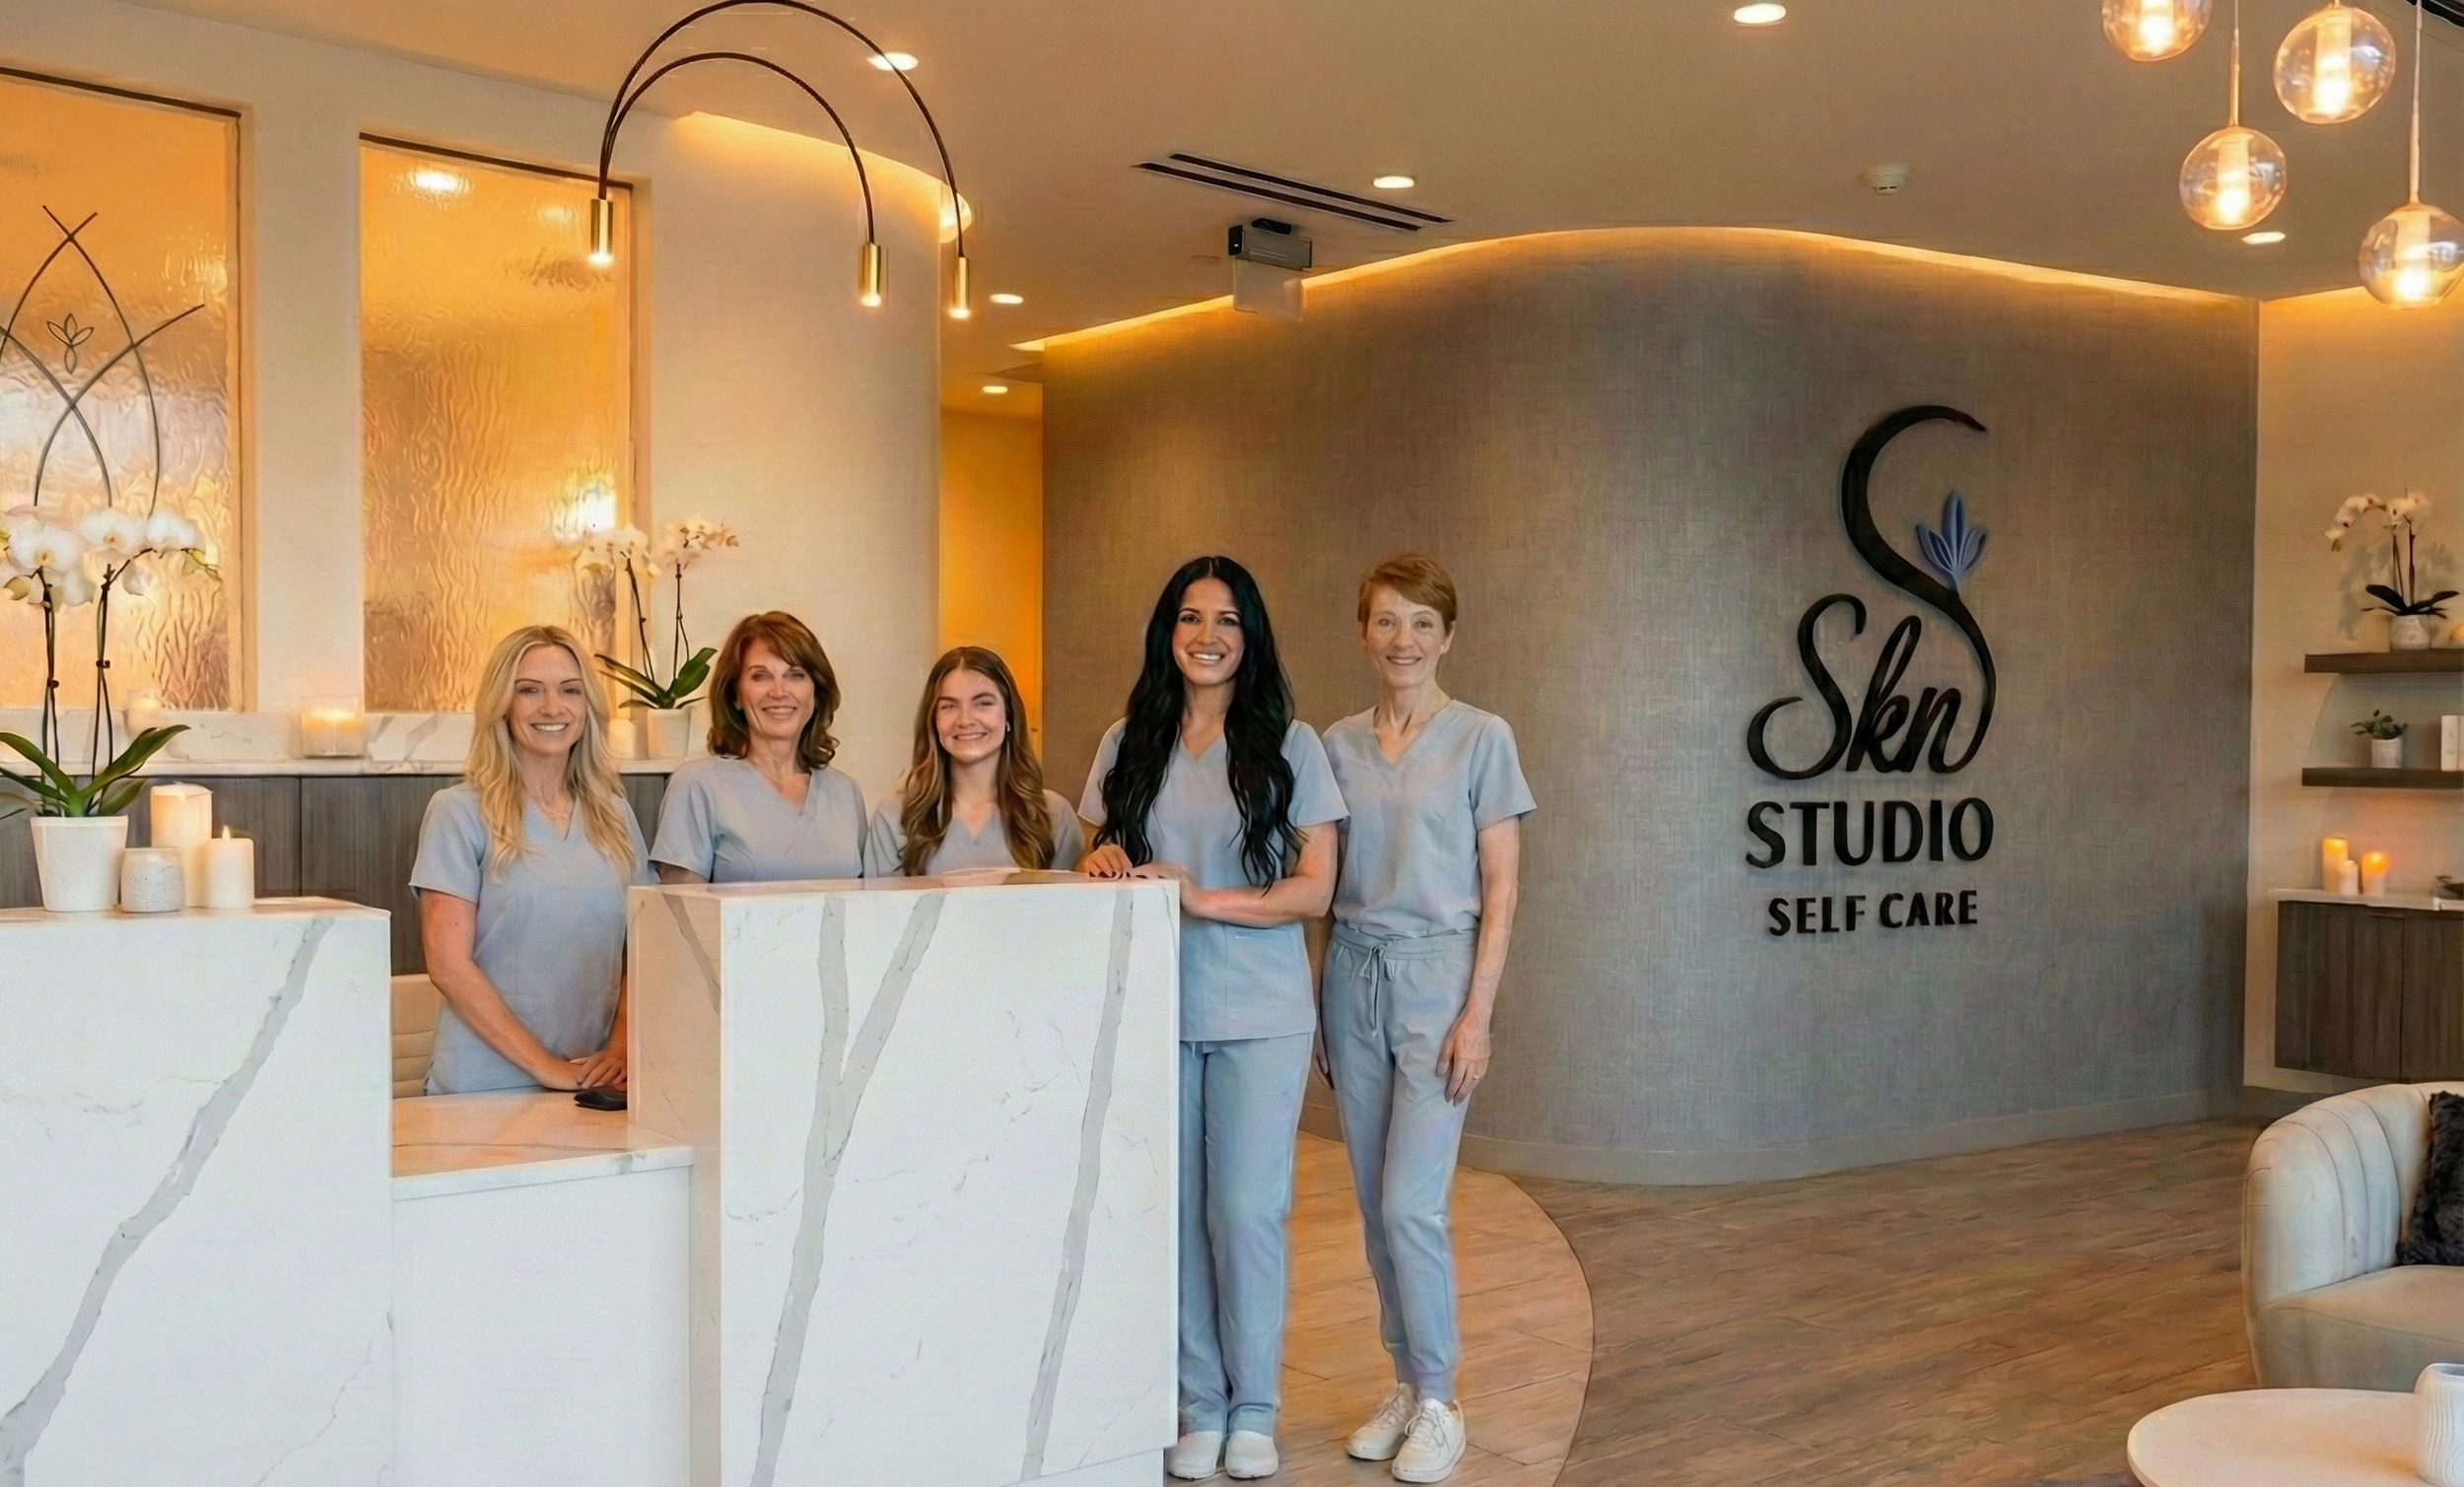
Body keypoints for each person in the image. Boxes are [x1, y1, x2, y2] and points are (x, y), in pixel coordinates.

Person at [1081, 555, 1347, 1482]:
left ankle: (1256, 1405)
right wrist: (1106, 859)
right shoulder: (1129, 741)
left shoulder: (1293, 744)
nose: (1207, 635)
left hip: (1260, 1010)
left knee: (1245, 1210)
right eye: (1190, 617)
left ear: (1251, 635)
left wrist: (1203, 898)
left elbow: (1315, 890)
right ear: (1168, 633)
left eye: (1226, 619)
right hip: (1157, 1008)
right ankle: (1198, 1402)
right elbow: (1097, 856)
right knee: (1178, 1213)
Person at [1319, 556, 1533, 1484]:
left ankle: (1442, 1397)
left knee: (1413, 1202)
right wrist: (1322, 1000)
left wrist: (1477, 1013)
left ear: (1448, 636)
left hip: (1437, 979)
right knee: (1373, 1206)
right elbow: (1324, 887)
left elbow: (1503, 884)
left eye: (1420, 624)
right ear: (1362, 632)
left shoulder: (1482, 738)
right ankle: (1404, 1383)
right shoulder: (1335, 742)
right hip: (1351, 973)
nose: (1401, 640)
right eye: (1385, 622)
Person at [413, 625, 653, 1095]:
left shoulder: (614, 813)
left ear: (588, 707)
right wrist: (547, 1069)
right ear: (502, 705)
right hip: (483, 1085)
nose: (552, 707)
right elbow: (447, 965)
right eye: (529, 691)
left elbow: (647, 942)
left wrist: (622, 1046)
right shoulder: (458, 811)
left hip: (594, 1080)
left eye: (570, 690)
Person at [651, 610, 866, 884]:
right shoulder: (697, 786)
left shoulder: (845, 793)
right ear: (736, 695)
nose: (779, 691)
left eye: (796, 675)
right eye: (760, 676)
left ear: (816, 690)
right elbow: (682, 919)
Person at [866, 645, 1085, 875]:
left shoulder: (1053, 815)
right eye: (949, 706)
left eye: (983, 703)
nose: (965, 720)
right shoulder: (894, 817)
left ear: (1009, 715)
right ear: (933, 720)